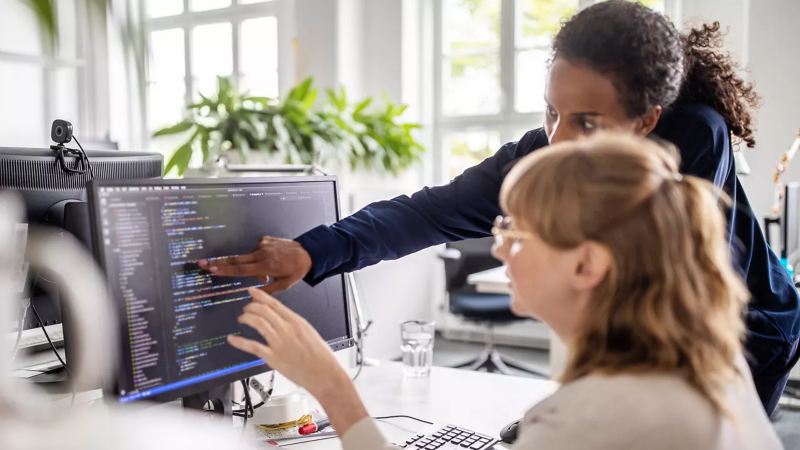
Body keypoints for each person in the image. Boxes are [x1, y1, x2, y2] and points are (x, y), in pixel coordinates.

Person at [199, 0, 800, 415]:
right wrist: (312, 251)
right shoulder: (547, 150)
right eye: (551, 112)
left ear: (647, 121)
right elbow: (430, 211)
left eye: (587, 122)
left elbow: (663, 285)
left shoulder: (693, 134)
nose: (559, 139)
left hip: (748, 333)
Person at [227, 133, 783, 450]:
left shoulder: (586, 423)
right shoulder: (707, 367)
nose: (498, 250)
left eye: (514, 232)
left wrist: (329, 383)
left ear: (587, 263)